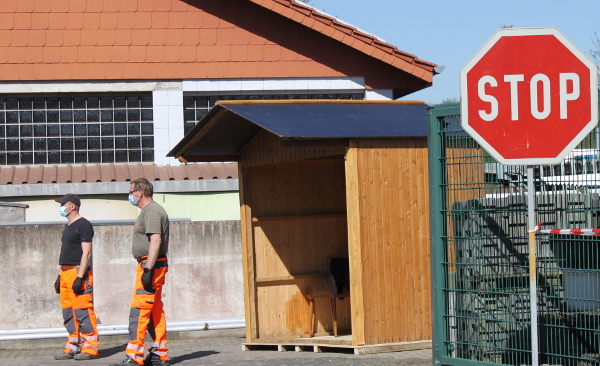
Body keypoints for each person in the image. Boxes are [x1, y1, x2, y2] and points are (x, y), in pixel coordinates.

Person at [111, 178, 170, 366]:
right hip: (153, 264)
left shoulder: (151, 211)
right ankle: (159, 355)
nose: (130, 196)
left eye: (131, 192)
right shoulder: (151, 211)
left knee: (139, 310)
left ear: (140, 192)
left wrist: (148, 269)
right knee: (154, 311)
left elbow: (155, 240)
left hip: (150, 264)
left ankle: (134, 357)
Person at [53, 193, 99, 361]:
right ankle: (73, 346)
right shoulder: (68, 226)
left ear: (72, 206)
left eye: (63, 204)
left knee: (82, 310)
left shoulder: (84, 225)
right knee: (68, 312)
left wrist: (80, 277)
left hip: (78, 271)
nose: (61, 207)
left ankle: (90, 348)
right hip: (65, 272)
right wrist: (60, 276)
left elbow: (86, 253)